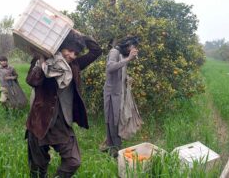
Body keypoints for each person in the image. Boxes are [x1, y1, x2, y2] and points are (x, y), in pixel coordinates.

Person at [25, 29, 102, 178]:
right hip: (40, 120)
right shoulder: (43, 60)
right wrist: (41, 63)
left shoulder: (75, 65)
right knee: (38, 167)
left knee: (74, 161)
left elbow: (96, 51)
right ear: (61, 47)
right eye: (70, 50)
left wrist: (81, 36)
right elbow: (31, 81)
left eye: (76, 53)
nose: (72, 56)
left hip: (62, 122)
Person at [101, 36, 143, 158]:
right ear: (128, 45)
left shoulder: (123, 55)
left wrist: (127, 79)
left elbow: (120, 71)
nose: (133, 49)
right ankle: (115, 149)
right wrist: (129, 58)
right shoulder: (114, 52)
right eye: (133, 47)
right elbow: (110, 68)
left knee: (119, 120)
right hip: (112, 94)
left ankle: (114, 147)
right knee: (112, 121)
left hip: (120, 93)